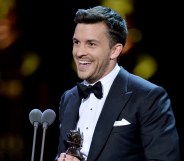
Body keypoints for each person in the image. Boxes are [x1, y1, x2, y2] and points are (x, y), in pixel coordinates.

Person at [55, 5, 180, 161]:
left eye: (91, 44)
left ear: (115, 51)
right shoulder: (69, 98)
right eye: (76, 42)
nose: (79, 52)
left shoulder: (148, 97)